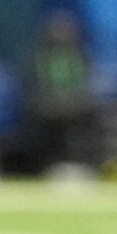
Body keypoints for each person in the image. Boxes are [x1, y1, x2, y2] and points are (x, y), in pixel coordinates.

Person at [12, 11, 96, 176]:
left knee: (87, 117)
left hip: (74, 104)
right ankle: (45, 166)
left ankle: (81, 164)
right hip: (44, 104)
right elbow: (32, 84)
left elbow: (83, 83)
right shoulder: (38, 57)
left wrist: (71, 98)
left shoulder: (79, 55)